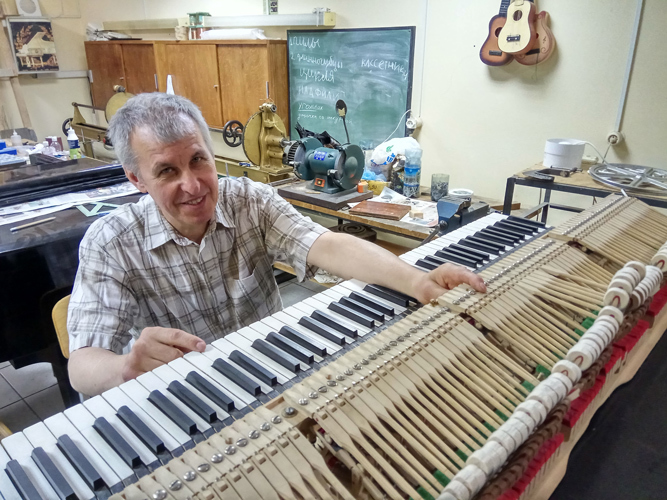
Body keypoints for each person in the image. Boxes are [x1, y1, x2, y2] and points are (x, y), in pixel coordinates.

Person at [67, 93, 485, 396]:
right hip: (186, 395)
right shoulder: (110, 243)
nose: (192, 186)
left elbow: (327, 245)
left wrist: (418, 282)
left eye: (198, 160)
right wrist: (125, 367)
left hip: (272, 374)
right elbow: (82, 365)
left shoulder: (250, 200)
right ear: (136, 179)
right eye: (166, 171)